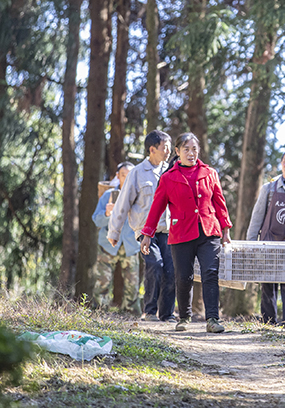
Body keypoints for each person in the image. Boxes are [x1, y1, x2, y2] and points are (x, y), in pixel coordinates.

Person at [140, 132, 232, 334]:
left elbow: (219, 201)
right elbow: (156, 208)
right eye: (186, 149)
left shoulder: (210, 173)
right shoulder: (168, 178)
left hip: (208, 231)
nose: (191, 153)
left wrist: (225, 228)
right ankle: (184, 317)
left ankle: (213, 319)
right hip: (181, 233)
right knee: (183, 276)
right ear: (177, 152)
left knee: (210, 273)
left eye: (194, 149)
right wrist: (148, 234)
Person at [108, 130, 175, 322]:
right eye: (165, 147)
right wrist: (115, 231)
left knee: (171, 269)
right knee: (155, 264)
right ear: (152, 149)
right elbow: (123, 203)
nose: (169, 150)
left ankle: (167, 314)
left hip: (168, 230)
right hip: (146, 232)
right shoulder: (137, 173)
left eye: (170, 146)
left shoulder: (170, 172)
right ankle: (150, 311)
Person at [245, 149, 285, 330]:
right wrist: (251, 243)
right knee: (268, 283)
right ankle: (268, 322)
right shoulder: (269, 188)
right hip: (268, 241)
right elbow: (257, 218)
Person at [92, 162, 141, 312]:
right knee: (102, 281)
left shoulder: (140, 197)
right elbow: (96, 219)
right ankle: (100, 313)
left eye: (130, 175)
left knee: (132, 283)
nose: (126, 179)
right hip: (108, 245)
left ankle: (132, 315)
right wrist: (107, 214)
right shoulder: (108, 196)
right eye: (123, 175)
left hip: (131, 244)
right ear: (117, 176)